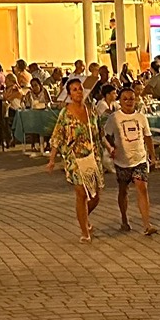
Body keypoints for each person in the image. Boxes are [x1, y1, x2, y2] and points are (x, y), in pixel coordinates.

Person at [45, 77, 103, 243]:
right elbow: (57, 136)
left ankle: (84, 217)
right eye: (74, 89)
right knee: (81, 193)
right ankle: (85, 231)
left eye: (80, 88)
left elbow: (99, 133)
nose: (78, 92)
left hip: (93, 156)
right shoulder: (65, 113)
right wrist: (52, 159)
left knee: (96, 196)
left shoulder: (91, 110)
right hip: (74, 158)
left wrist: (110, 148)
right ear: (69, 94)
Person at [105, 85, 157, 236]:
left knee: (142, 188)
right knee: (123, 190)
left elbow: (147, 136)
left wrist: (152, 155)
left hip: (139, 159)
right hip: (122, 161)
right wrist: (110, 148)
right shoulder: (114, 118)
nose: (129, 102)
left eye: (131, 99)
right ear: (119, 101)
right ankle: (124, 218)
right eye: (125, 99)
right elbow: (105, 136)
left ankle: (147, 224)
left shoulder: (141, 117)